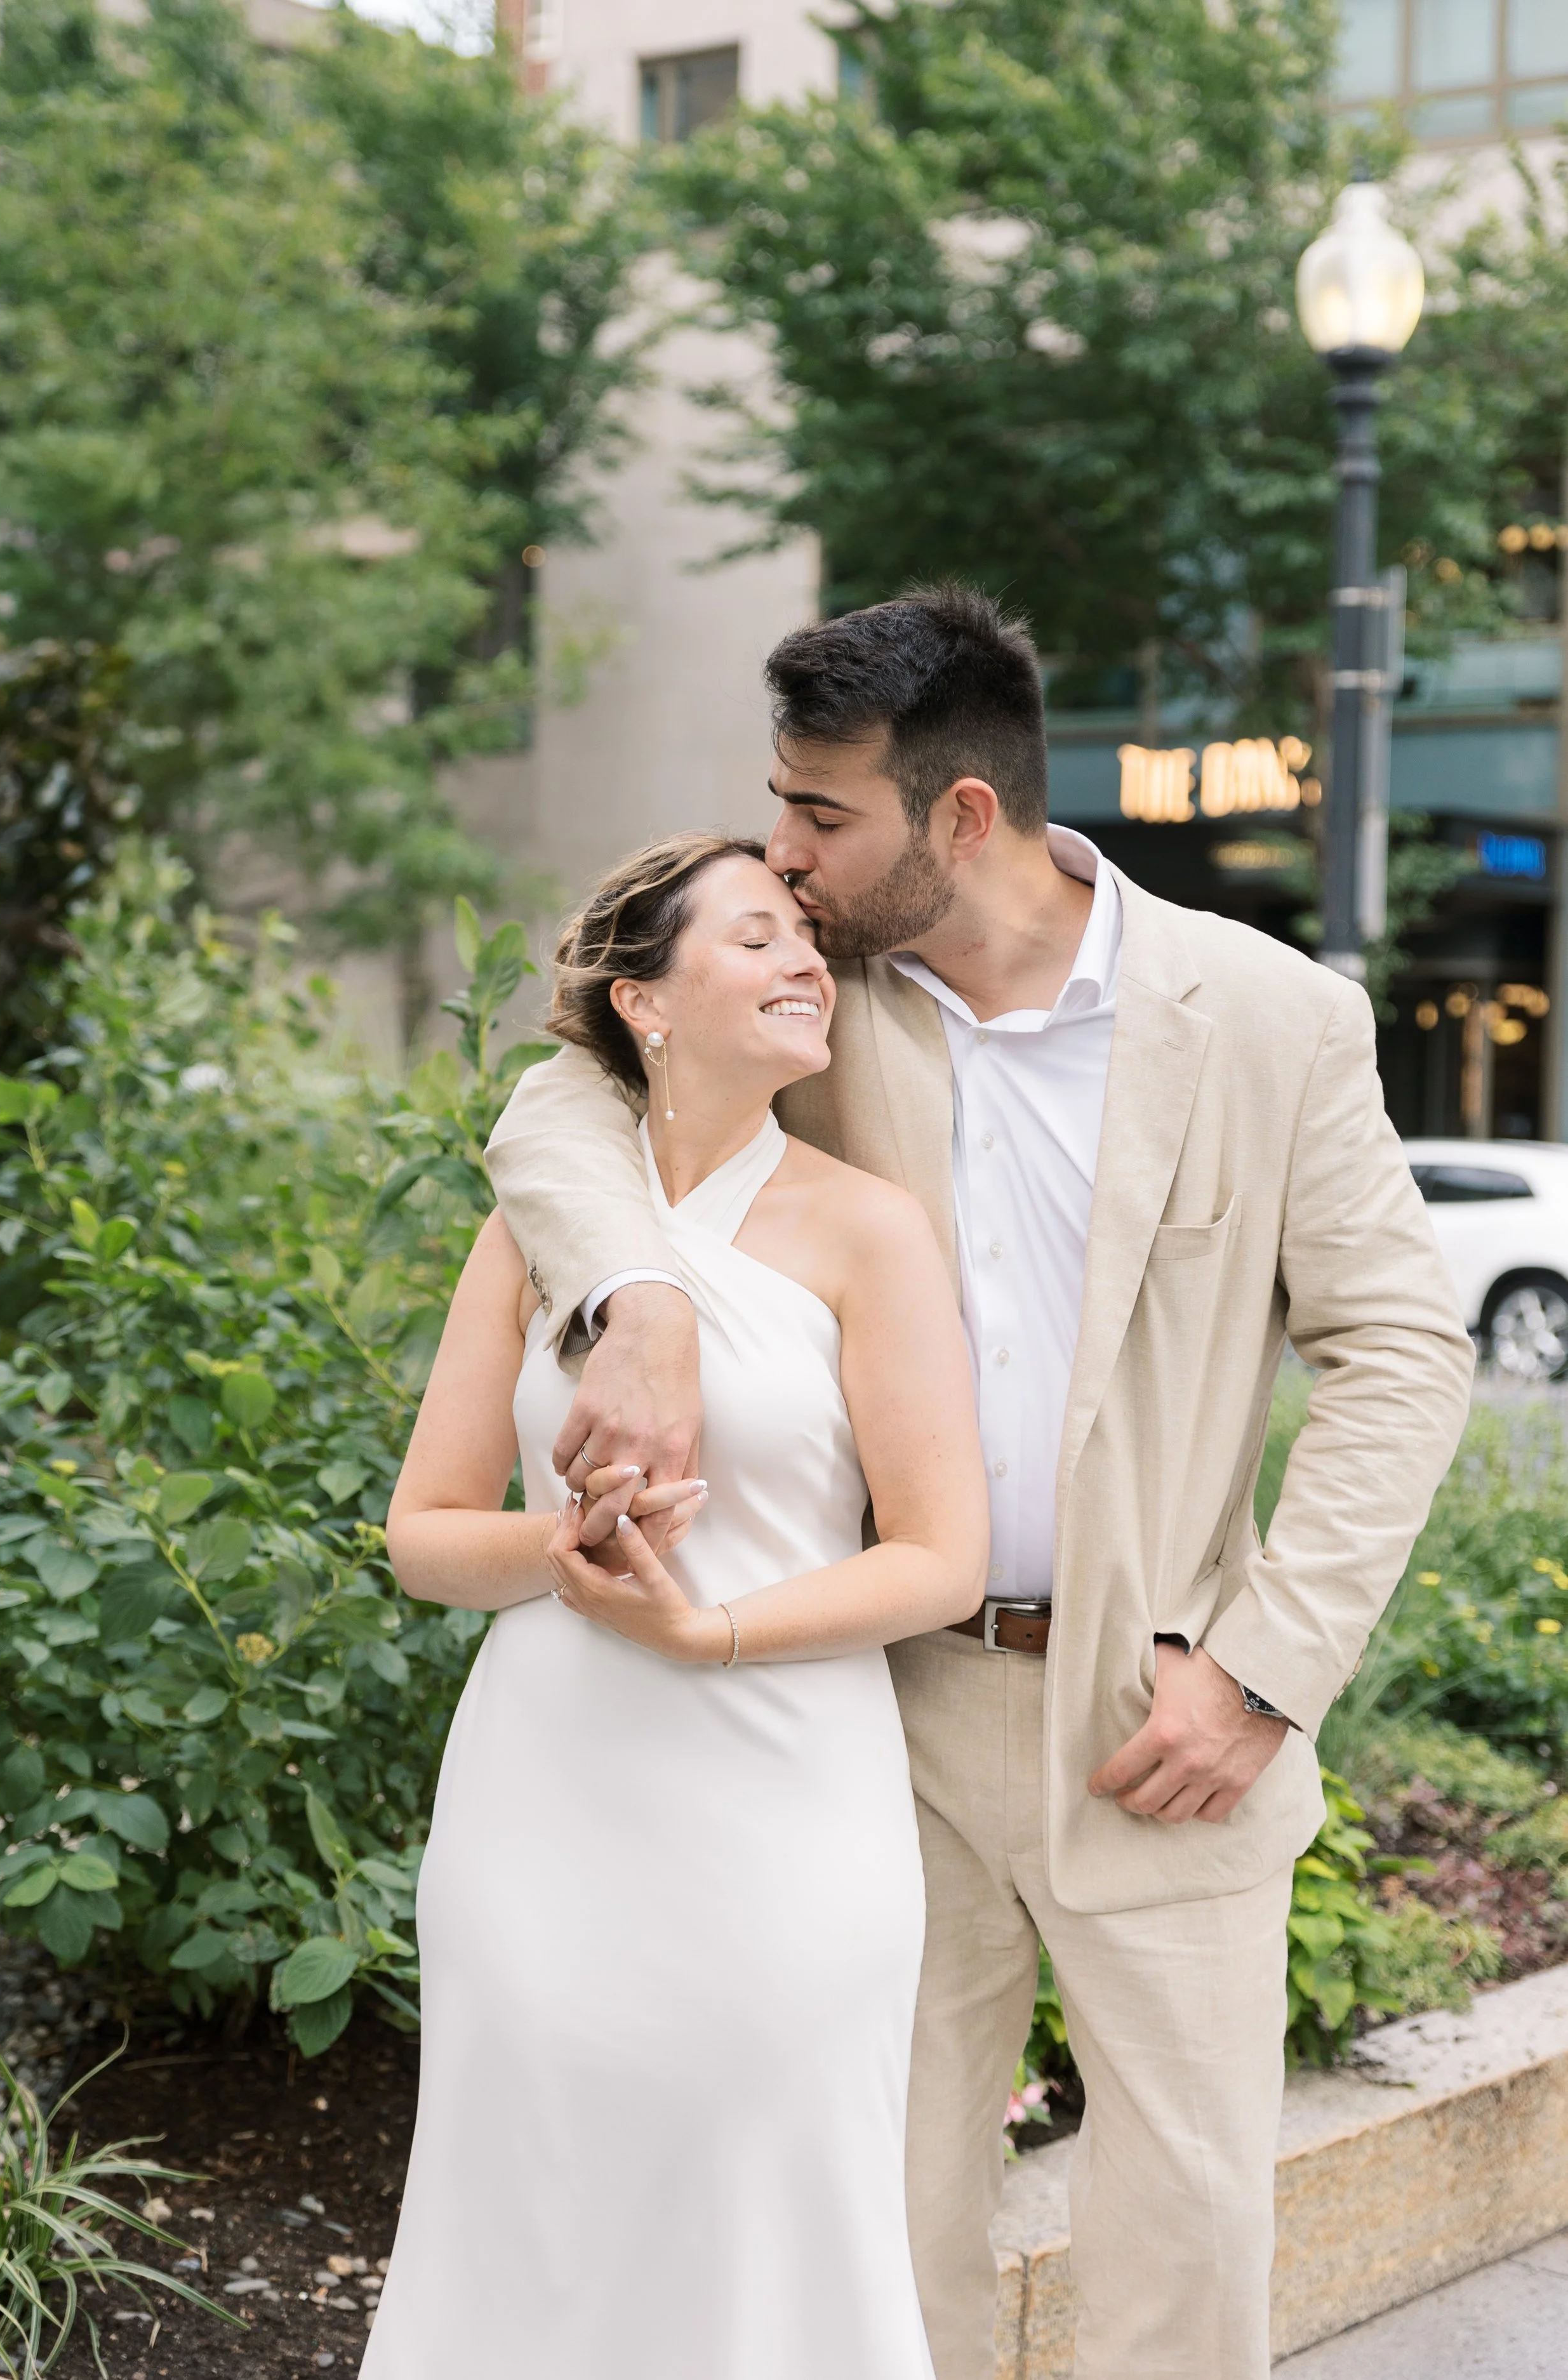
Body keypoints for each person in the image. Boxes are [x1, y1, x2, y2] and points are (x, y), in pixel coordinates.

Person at [483, 585, 1475, 2380]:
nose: (781, 854)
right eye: (776, 804)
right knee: (877, 2215)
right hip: (874, 1713)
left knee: (1185, 2246)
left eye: (819, 811)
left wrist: (1261, 1667)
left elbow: (1403, 1352)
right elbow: (563, 1101)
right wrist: (629, 1299)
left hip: (1163, 1716)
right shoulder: (821, 996)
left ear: (957, 816)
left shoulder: (1270, 1019)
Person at [362, 833, 988, 2380]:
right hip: (543, 1801)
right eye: (758, 937)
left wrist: (703, 1628)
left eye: (807, 945)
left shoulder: (865, 1229)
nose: (802, 966)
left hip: (787, 1802)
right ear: (642, 1002)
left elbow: (936, 1558)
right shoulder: (536, 1233)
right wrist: (562, 1556)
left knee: (769, 2210)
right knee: (532, 2218)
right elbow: (424, 1536)